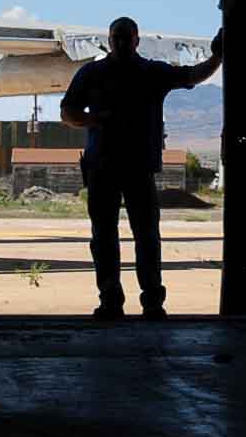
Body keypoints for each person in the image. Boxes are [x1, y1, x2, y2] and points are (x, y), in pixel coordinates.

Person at [61, 19, 224, 319]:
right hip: (113, 168)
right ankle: (126, 300)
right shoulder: (114, 73)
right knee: (120, 236)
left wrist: (216, 58)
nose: (121, 43)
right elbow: (67, 111)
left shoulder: (141, 73)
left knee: (135, 236)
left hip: (126, 167)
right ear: (110, 40)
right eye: (116, 38)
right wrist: (93, 120)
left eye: (126, 38)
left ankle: (135, 301)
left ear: (136, 41)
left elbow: (192, 75)